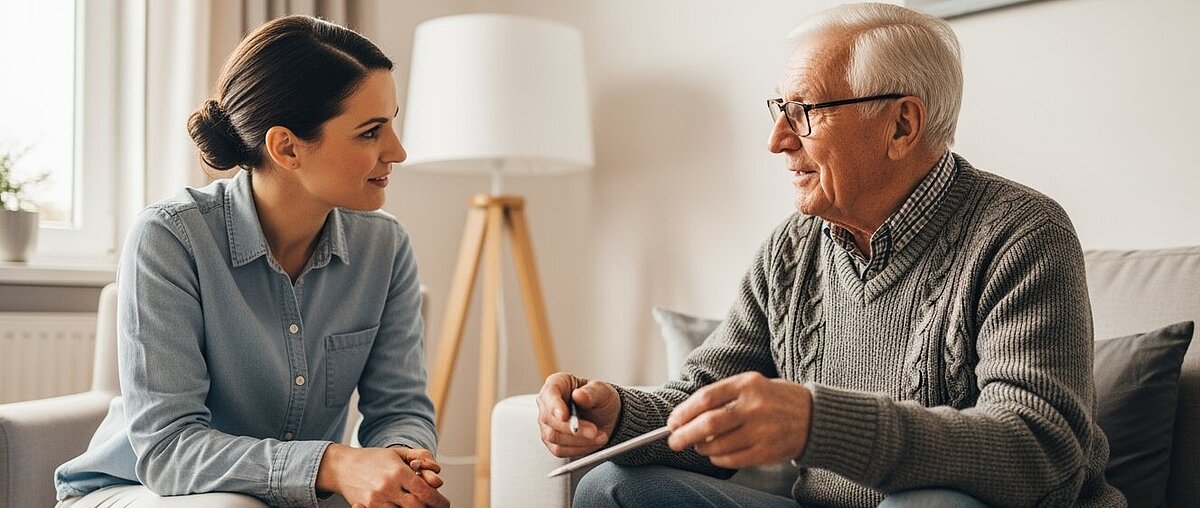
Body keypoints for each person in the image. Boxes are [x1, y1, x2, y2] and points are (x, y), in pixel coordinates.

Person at [537, 3, 1126, 507]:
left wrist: (818, 423)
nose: (777, 139)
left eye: (805, 111)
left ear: (901, 124)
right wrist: (616, 414)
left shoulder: (1021, 231)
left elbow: (1039, 446)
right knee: (611, 487)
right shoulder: (792, 250)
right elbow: (705, 395)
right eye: (779, 109)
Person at [53, 15, 448, 508]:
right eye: (370, 132)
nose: (398, 151)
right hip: (137, 490)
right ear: (286, 147)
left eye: (392, 122)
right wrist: (334, 463)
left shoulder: (385, 248)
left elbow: (399, 406)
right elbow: (169, 450)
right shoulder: (170, 238)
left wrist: (403, 463)